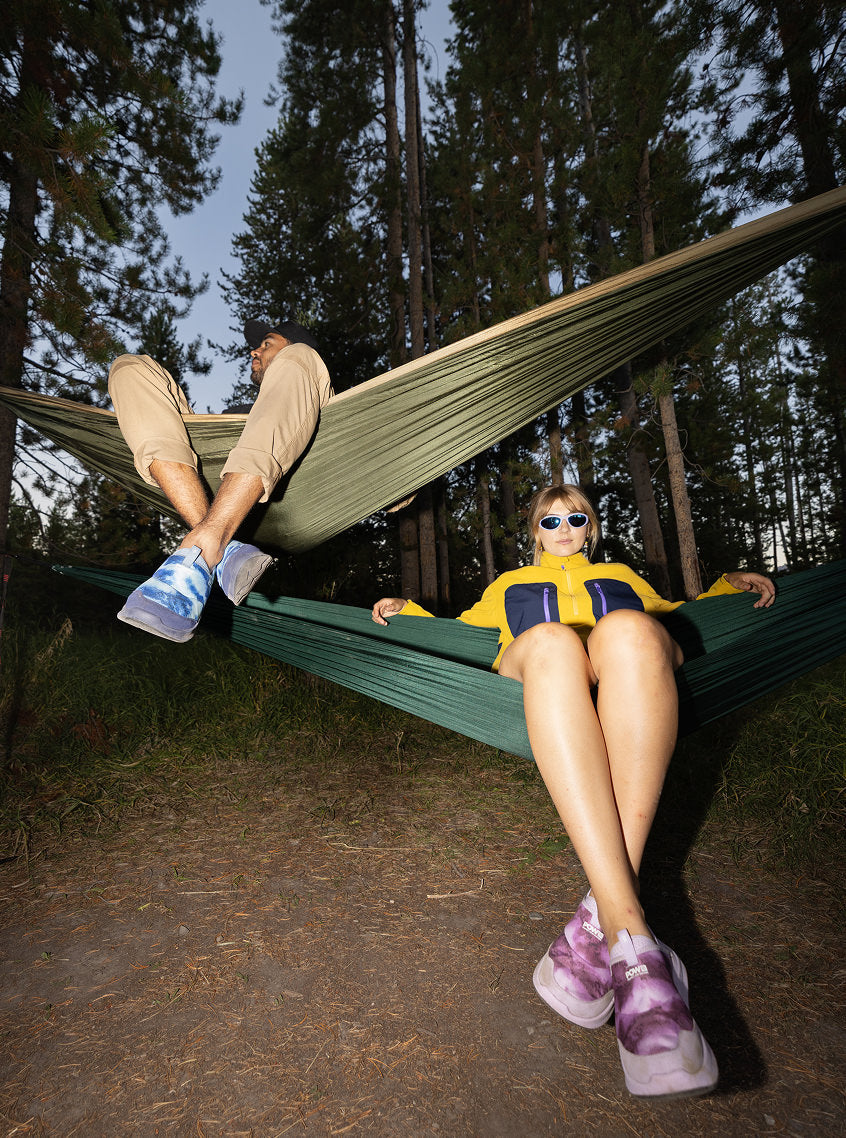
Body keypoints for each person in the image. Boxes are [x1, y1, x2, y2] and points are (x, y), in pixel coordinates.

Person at [372, 483, 775, 1099]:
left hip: (624, 674)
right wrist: (407, 611)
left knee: (632, 629)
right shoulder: (508, 587)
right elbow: (460, 628)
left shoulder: (620, 575)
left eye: (576, 517)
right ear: (535, 530)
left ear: (591, 528)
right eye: (550, 519)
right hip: (538, 674)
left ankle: (606, 934)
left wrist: (727, 588)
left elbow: (677, 609)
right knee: (557, 642)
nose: (563, 526)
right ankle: (634, 947)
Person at [108, 318, 333, 642]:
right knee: (130, 367)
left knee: (298, 358)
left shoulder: (304, 362)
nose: (254, 351)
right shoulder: (237, 411)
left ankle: (204, 546)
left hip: (303, 480)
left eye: (266, 343)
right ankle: (224, 552)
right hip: (222, 488)